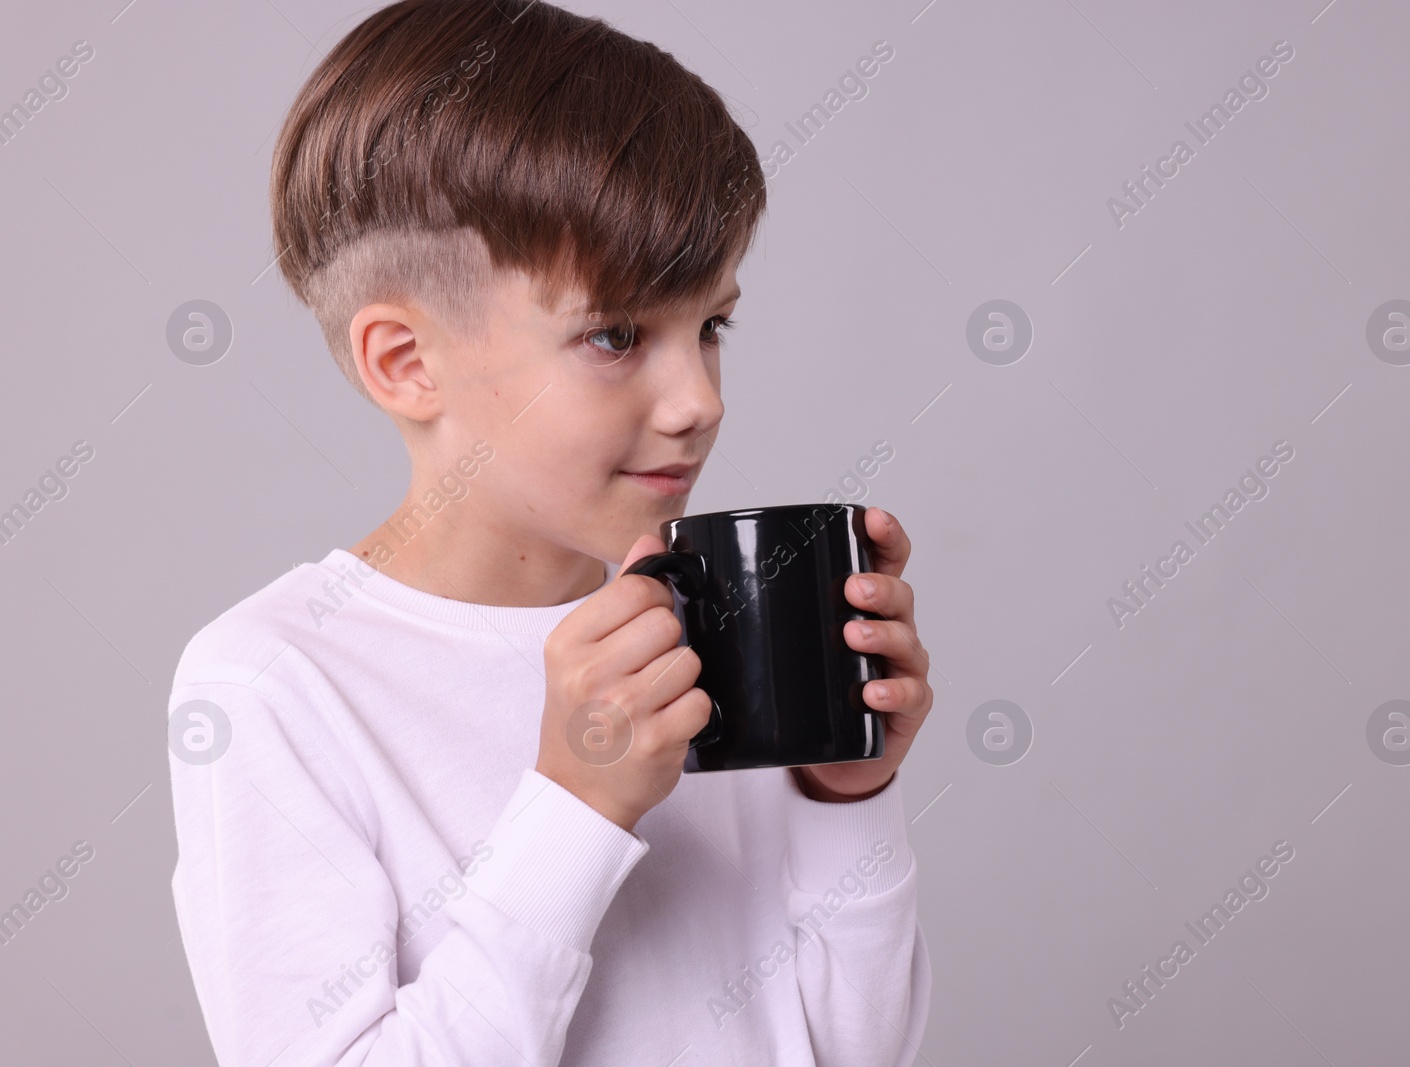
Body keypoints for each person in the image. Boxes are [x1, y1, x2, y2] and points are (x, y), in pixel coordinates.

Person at [164, 1, 935, 1063]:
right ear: (405, 362)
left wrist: (844, 793)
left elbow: (862, 1050)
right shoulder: (274, 683)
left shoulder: (710, 619)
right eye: (615, 334)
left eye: (710, 325)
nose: (696, 399)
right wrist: (576, 805)